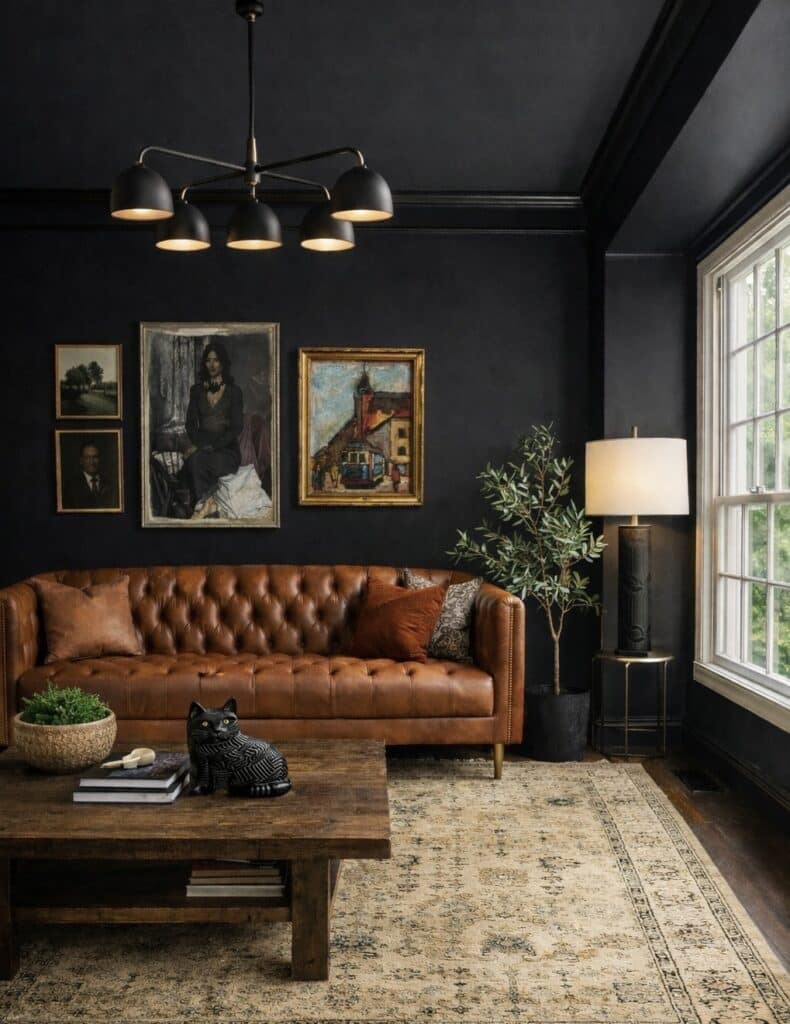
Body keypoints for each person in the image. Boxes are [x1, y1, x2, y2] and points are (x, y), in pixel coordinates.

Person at [181, 342, 243, 519]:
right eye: (208, 360)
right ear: (204, 364)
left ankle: (204, 507)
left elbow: (237, 427)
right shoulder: (196, 391)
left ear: (223, 363)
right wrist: (201, 445)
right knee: (195, 461)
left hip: (227, 450)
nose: (212, 364)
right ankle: (203, 506)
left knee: (201, 460)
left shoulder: (234, 392)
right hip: (202, 448)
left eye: (216, 360)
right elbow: (190, 425)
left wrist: (212, 447)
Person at [61, 440, 118, 510]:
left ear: (100, 459)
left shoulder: (110, 483)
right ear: (81, 461)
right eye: (87, 457)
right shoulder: (71, 486)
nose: (92, 461)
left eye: (95, 457)